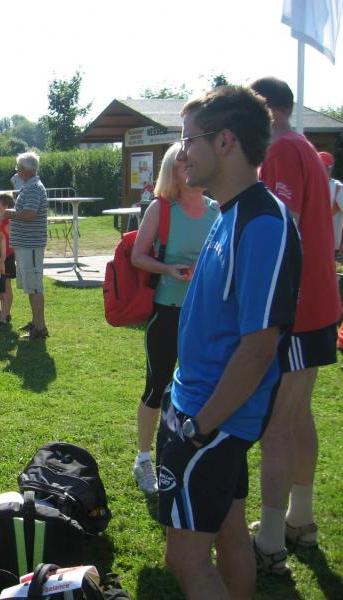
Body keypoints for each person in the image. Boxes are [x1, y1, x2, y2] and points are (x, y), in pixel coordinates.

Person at [158, 86, 301, 599]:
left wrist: (200, 427)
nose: (181, 154)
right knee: (230, 531)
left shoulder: (263, 223)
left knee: (184, 558)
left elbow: (259, 346)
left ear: (225, 142)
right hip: (201, 409)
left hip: (212, 421)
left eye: (189, 140)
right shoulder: (230, 212)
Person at [248, 77, 340, 575]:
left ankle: (269, 541)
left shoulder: (281, 149)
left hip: (297, 309)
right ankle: (300, 520)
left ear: (265, 109)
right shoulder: (303, 145)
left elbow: (282, 231)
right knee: (299, 416)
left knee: (278, 425)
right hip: (320, 304)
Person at [129, 142, 218, 495]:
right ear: (173, 171)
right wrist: (169, 269)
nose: (191, 167)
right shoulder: (161, 208)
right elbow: (138, 256)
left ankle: (186, 456)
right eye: (184, 163)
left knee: (200, 388)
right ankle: (143, 459)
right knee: (157, 385)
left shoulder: (218, 209)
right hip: (167, 311)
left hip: (205, 315)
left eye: (194, 161)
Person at [2, 152, 49, 340]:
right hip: (27, 245)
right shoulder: (30, 187)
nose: (17, 171)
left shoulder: (33, 188)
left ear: (24, 169)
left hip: (31, 245)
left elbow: (30, 214)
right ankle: (36, 322)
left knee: (35, 287)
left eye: (18, 168)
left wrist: (10, 214)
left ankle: (40, 328)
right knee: (31, 286)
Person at [0, 192, 16, 323]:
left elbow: (13, 240)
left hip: (7, 258)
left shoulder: (8, 223)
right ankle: (0, 313)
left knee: (6, 287)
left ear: (6, 207)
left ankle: (5, 316)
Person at [319, 151, 343, 252]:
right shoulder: (309, 185)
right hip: (311, 241)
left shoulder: (338, 187)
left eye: (325, 167)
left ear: (330, 168)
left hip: (330, 244)